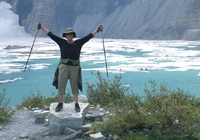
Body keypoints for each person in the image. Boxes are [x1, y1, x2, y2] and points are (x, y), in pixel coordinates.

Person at [37, 23, 104, 112]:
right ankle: (60, 103)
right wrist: (41, 27)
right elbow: (51, 35)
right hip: (63, 66)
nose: (69, 36)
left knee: (74, 85)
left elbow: (89, 37)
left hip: (74, 67)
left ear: (73, 35)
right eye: (67, 35)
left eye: (70, 35)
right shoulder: (61, 42)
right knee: (61, 84)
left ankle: (76, 104)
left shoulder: (78, 43)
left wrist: (98, 30)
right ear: (66, 36)